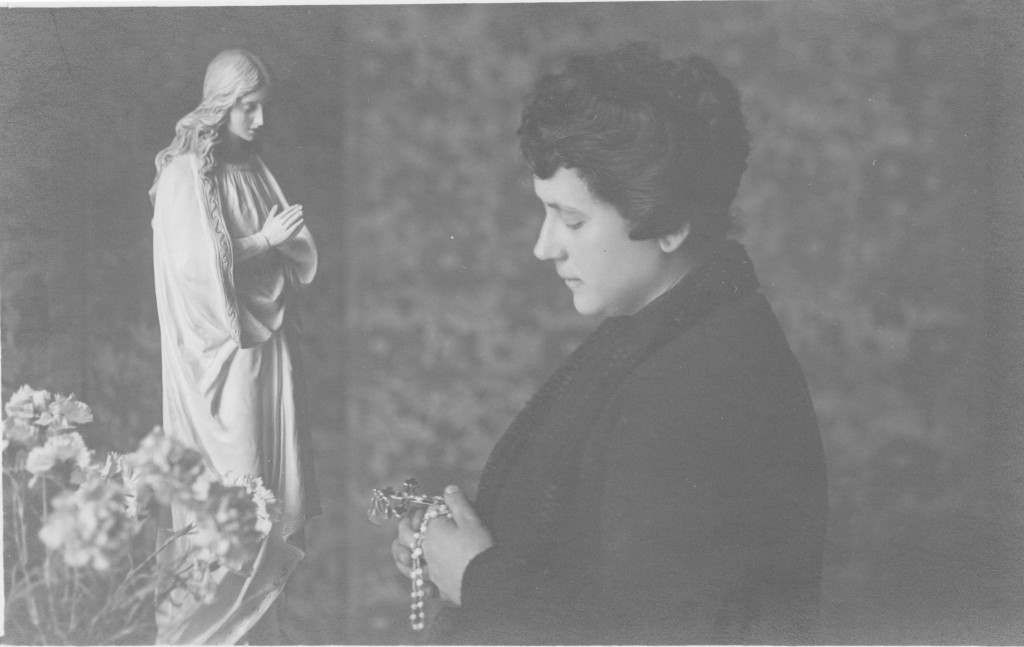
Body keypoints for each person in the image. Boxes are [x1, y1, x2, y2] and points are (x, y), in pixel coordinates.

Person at [391, 42, 828, 644]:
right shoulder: (667, 329)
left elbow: (664, 633)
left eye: (572, 220)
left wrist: (476, 578)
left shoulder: (702, 386)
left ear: (670, 223)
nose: (544, 246)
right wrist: (453, 556)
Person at [150, 49, 319, 644]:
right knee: (234, 498)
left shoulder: (253, 168)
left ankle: (262, 629)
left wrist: (283, 243)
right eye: (248, 107)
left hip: (268, 354)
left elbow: (293, 253)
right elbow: (192, 270)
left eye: (262, 106)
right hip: (222, 358)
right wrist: (265, 240)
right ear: (220, 107)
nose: (260, 119)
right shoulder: (184, 176)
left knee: (269, 492)